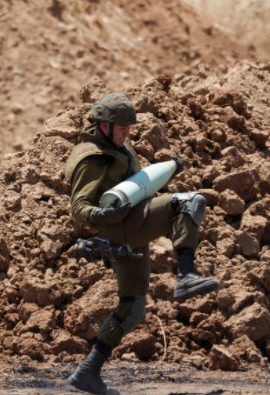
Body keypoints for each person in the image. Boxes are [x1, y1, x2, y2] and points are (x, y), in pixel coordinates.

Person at [63, 92, 220, 394]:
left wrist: (170, 167)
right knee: (189, 202)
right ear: (104, 126)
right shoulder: (93, 158)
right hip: (121, 227)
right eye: (122, 128)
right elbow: (79, 208)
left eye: (129, 128)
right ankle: (186, 275)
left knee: (133, 308)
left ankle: (87, 373)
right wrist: (101, 213)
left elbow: (136, 182)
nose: (128, 133)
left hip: (129, 228)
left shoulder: (118, 146)